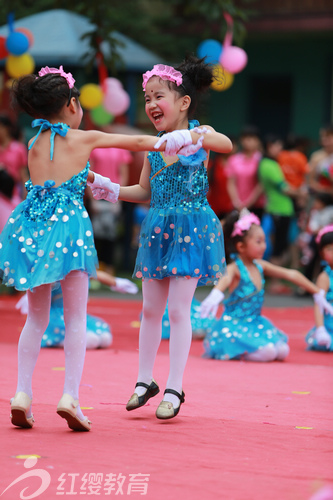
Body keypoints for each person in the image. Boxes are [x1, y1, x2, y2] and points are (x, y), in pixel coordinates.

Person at [0, 65, 205, 431]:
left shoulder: (32, 144)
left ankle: (22, 394)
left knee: (36, 318)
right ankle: (70, 397)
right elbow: (139, 143)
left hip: (31, 230)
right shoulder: (83, 139)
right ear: (73, 104)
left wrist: (97, 180)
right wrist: (174, 139)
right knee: (75, 318)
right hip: (68, 232)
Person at [89, 56, 233, 419]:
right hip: (157, 230)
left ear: (184, 102)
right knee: (150, 309)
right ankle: (144, 380)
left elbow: (226, 143)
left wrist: (193, 135)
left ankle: (175, 386)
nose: (151, 104)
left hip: (191, 229)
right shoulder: (154, 146)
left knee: (177, 310)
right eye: (147, 98)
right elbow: (143, 191)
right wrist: (108, 188)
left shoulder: (201, 135)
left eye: (159, 96)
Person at [200, 210, 333, 362]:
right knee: (268, 352)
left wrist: (317, 293)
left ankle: (251, 348)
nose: (264, 246)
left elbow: (291, 274)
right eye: (258, 242)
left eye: (264, 241)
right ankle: (238, 349)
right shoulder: (236, 268)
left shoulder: (260, 266)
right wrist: (215, 294)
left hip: (256, 324)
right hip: (235, 325)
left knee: (282, 350)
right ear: (241, 246)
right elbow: (225, 278)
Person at [15, 270, 138, 349]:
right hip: (55, 315)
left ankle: (72, 339)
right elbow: (45, 279)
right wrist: (32, 294)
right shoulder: (54, 268)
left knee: (104, 337)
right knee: (90, 339)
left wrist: (115, 282)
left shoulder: (78, 265)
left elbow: (96, 274)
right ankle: (59, 340)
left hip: (75, 314)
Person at [225, 125, 264, 218]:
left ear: (258, 141)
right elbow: (231, 183)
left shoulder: (261, 160)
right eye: (245, 138)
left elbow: (261, 184)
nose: (248, 141)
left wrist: (248, 204)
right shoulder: (234, 159)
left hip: (256, 206)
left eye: (252, 138)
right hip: (237, 206)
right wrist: (237, 203)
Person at [305, 225, 333, 351]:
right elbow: (319, 304)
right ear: (321, 253)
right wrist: (320, 328)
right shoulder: (325, 278)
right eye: (329, 248)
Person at [0, 114, 28, 232]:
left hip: (12, 195)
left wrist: (26, 199)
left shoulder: (18, 148)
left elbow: (23, 176)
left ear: (7, 128)